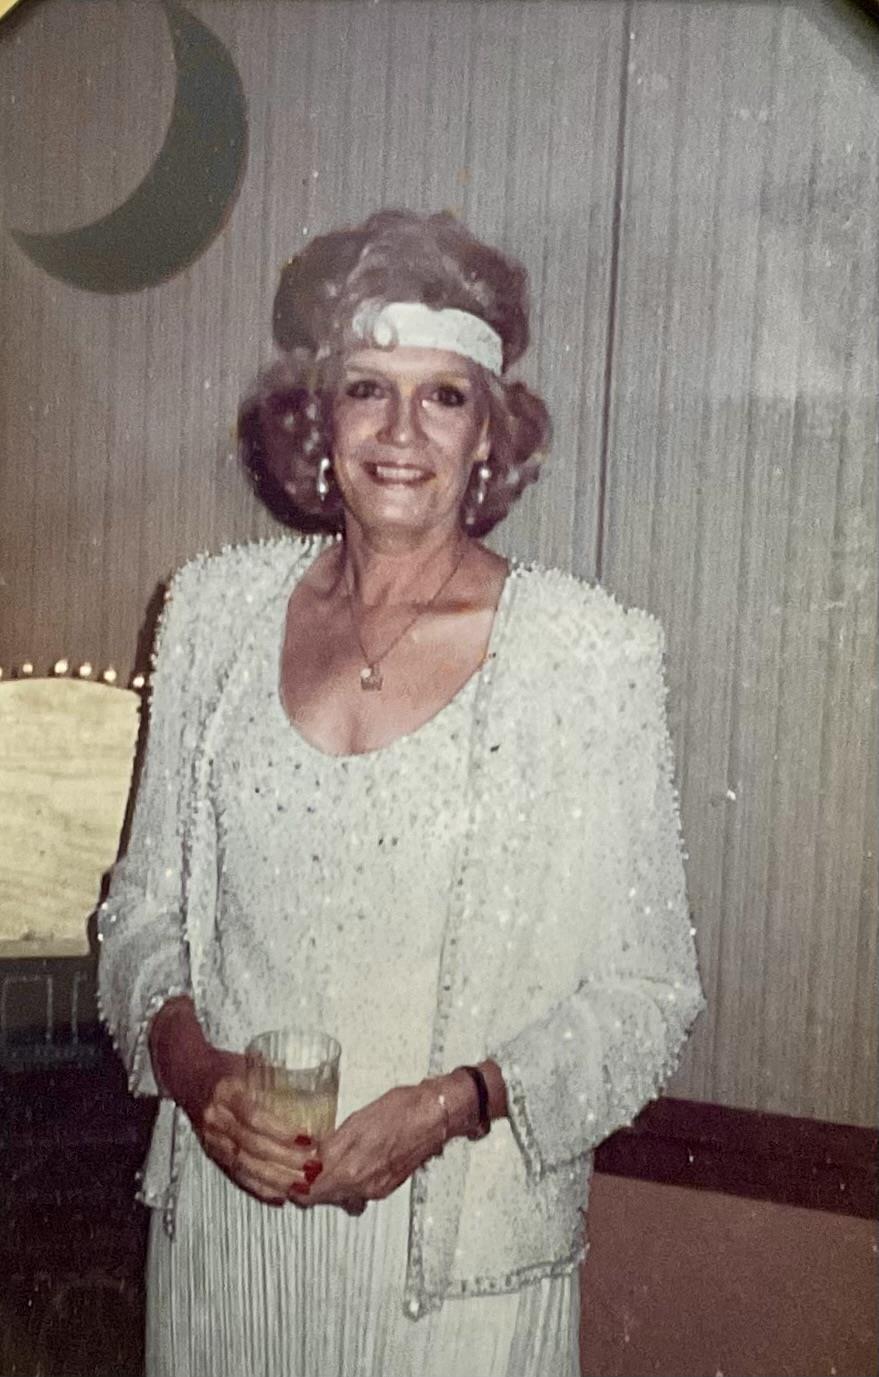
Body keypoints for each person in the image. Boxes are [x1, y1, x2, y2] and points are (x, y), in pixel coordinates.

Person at [97, 208, 704, 1377]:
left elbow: (649, 990)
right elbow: (139, 913)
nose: (401, 432)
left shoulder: (585, 655)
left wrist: (458, 1102)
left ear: (492, 433)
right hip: (229, 1244)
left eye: (444, 395)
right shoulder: (212, 616)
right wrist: (191, 1068)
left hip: (457, 1277)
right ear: (318, 416)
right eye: (367, 387)